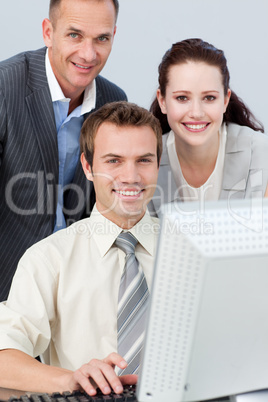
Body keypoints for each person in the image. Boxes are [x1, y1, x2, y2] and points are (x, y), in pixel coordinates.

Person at [0, 101, 162, 395]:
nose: (131, 176)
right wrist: (70, 380)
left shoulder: (192, 252)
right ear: (88, 167)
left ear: (158, 164)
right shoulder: (49, 259)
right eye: (113, 160)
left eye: (144, 160)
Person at [0, 0, 127, 302]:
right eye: (74, 35)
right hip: (9, 284)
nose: (88, 53)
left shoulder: (113, 101)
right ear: (48, 32)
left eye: (102, 38)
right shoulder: (5, 89)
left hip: (78, 289)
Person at [149, 38, 268, 216]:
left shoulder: (261, 153)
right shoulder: (145, 158)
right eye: (182, 98)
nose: (196, 113)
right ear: (162, 101)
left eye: (209, 98)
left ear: (225, 100)